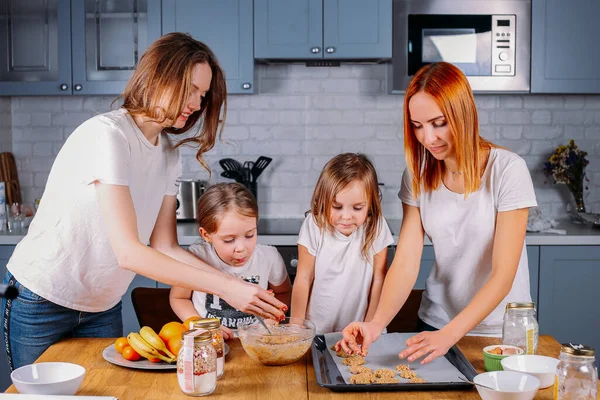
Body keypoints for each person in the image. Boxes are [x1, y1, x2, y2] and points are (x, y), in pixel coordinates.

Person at [1, 33, 285, 370]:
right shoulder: (108, 135)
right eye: (190, 89)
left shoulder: (168, 153)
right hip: (41, 299)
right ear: (160, 75)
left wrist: (235, 286)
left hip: (102, 305)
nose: (196, 103)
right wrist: (226, 286)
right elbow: (129, 252)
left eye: (203, 95)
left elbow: (164, 245)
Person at [336, 62, 537, 364]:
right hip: (435, 324)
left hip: (499, 332)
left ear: (463, 114)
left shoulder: (507, 170)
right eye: (417, 126)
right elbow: (405, 262)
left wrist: (450, 335)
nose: (428, 139)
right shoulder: (417, 175)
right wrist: (375, 324)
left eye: (438, 123)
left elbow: (502, 276)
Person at [170, 183, 292, 339]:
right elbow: (179, 298)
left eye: (250, 235)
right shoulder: (196, 257)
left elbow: (284, 292)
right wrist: (202, 325)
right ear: (206, 235)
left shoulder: (269, 256)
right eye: (229, 240)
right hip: (209, 342)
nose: (241, 248)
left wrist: (270, 320)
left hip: (255, 341)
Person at [291, 153, 394, 334]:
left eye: (357, 208)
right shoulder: (314, 225)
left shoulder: (377, 227)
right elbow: (303, 278)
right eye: (336, 207)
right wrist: (295, 327)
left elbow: (379, 280)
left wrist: (370, 326)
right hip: (317, 329)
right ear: (323, 199)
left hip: (358, 328)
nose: (346, 216)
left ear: (370, 203)